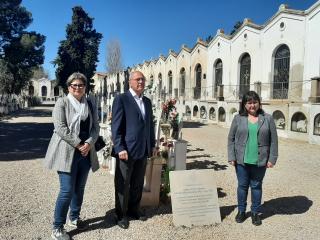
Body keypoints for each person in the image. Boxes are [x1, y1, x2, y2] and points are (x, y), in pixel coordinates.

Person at [44, 72, 100, 240]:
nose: (77, 88)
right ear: (69, 87)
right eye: (74, 85)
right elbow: (60, 127)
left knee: (79, 189)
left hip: (85, 153)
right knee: (67, 190)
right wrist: (78, 144)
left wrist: (89, 143)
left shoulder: (90, 103)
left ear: (85, 87)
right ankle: (57, 228)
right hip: (67, 152)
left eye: (81, 85)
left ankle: (74, 218)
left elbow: (95, 127)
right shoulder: (62, 102)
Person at [111, 70, 156, 229]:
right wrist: (119, 147)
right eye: (138, 79)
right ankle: (121, 214)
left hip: (142, 150)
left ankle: (134, 209)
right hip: (126, 151)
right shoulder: (121, 99)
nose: (141, 82)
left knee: (137, 182)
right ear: (130, 82)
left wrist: (152, 145)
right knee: (122, 184)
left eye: (143, 79)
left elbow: (149, 125)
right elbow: (116, 126)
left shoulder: (147, 102)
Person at [227, 91, 278, 226]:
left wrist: (272, 158)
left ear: (259, 103)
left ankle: (255, 212)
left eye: (255, 102)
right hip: (241, 160)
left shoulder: (268, 118)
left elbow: (274, 141)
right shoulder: (238, 118)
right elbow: (231, 139)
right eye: (249, 103)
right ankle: (242, 211)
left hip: (260, 161)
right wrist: (231, 156)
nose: (252, 105)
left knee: (256, 186)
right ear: (244, 104)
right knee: (242, 186)